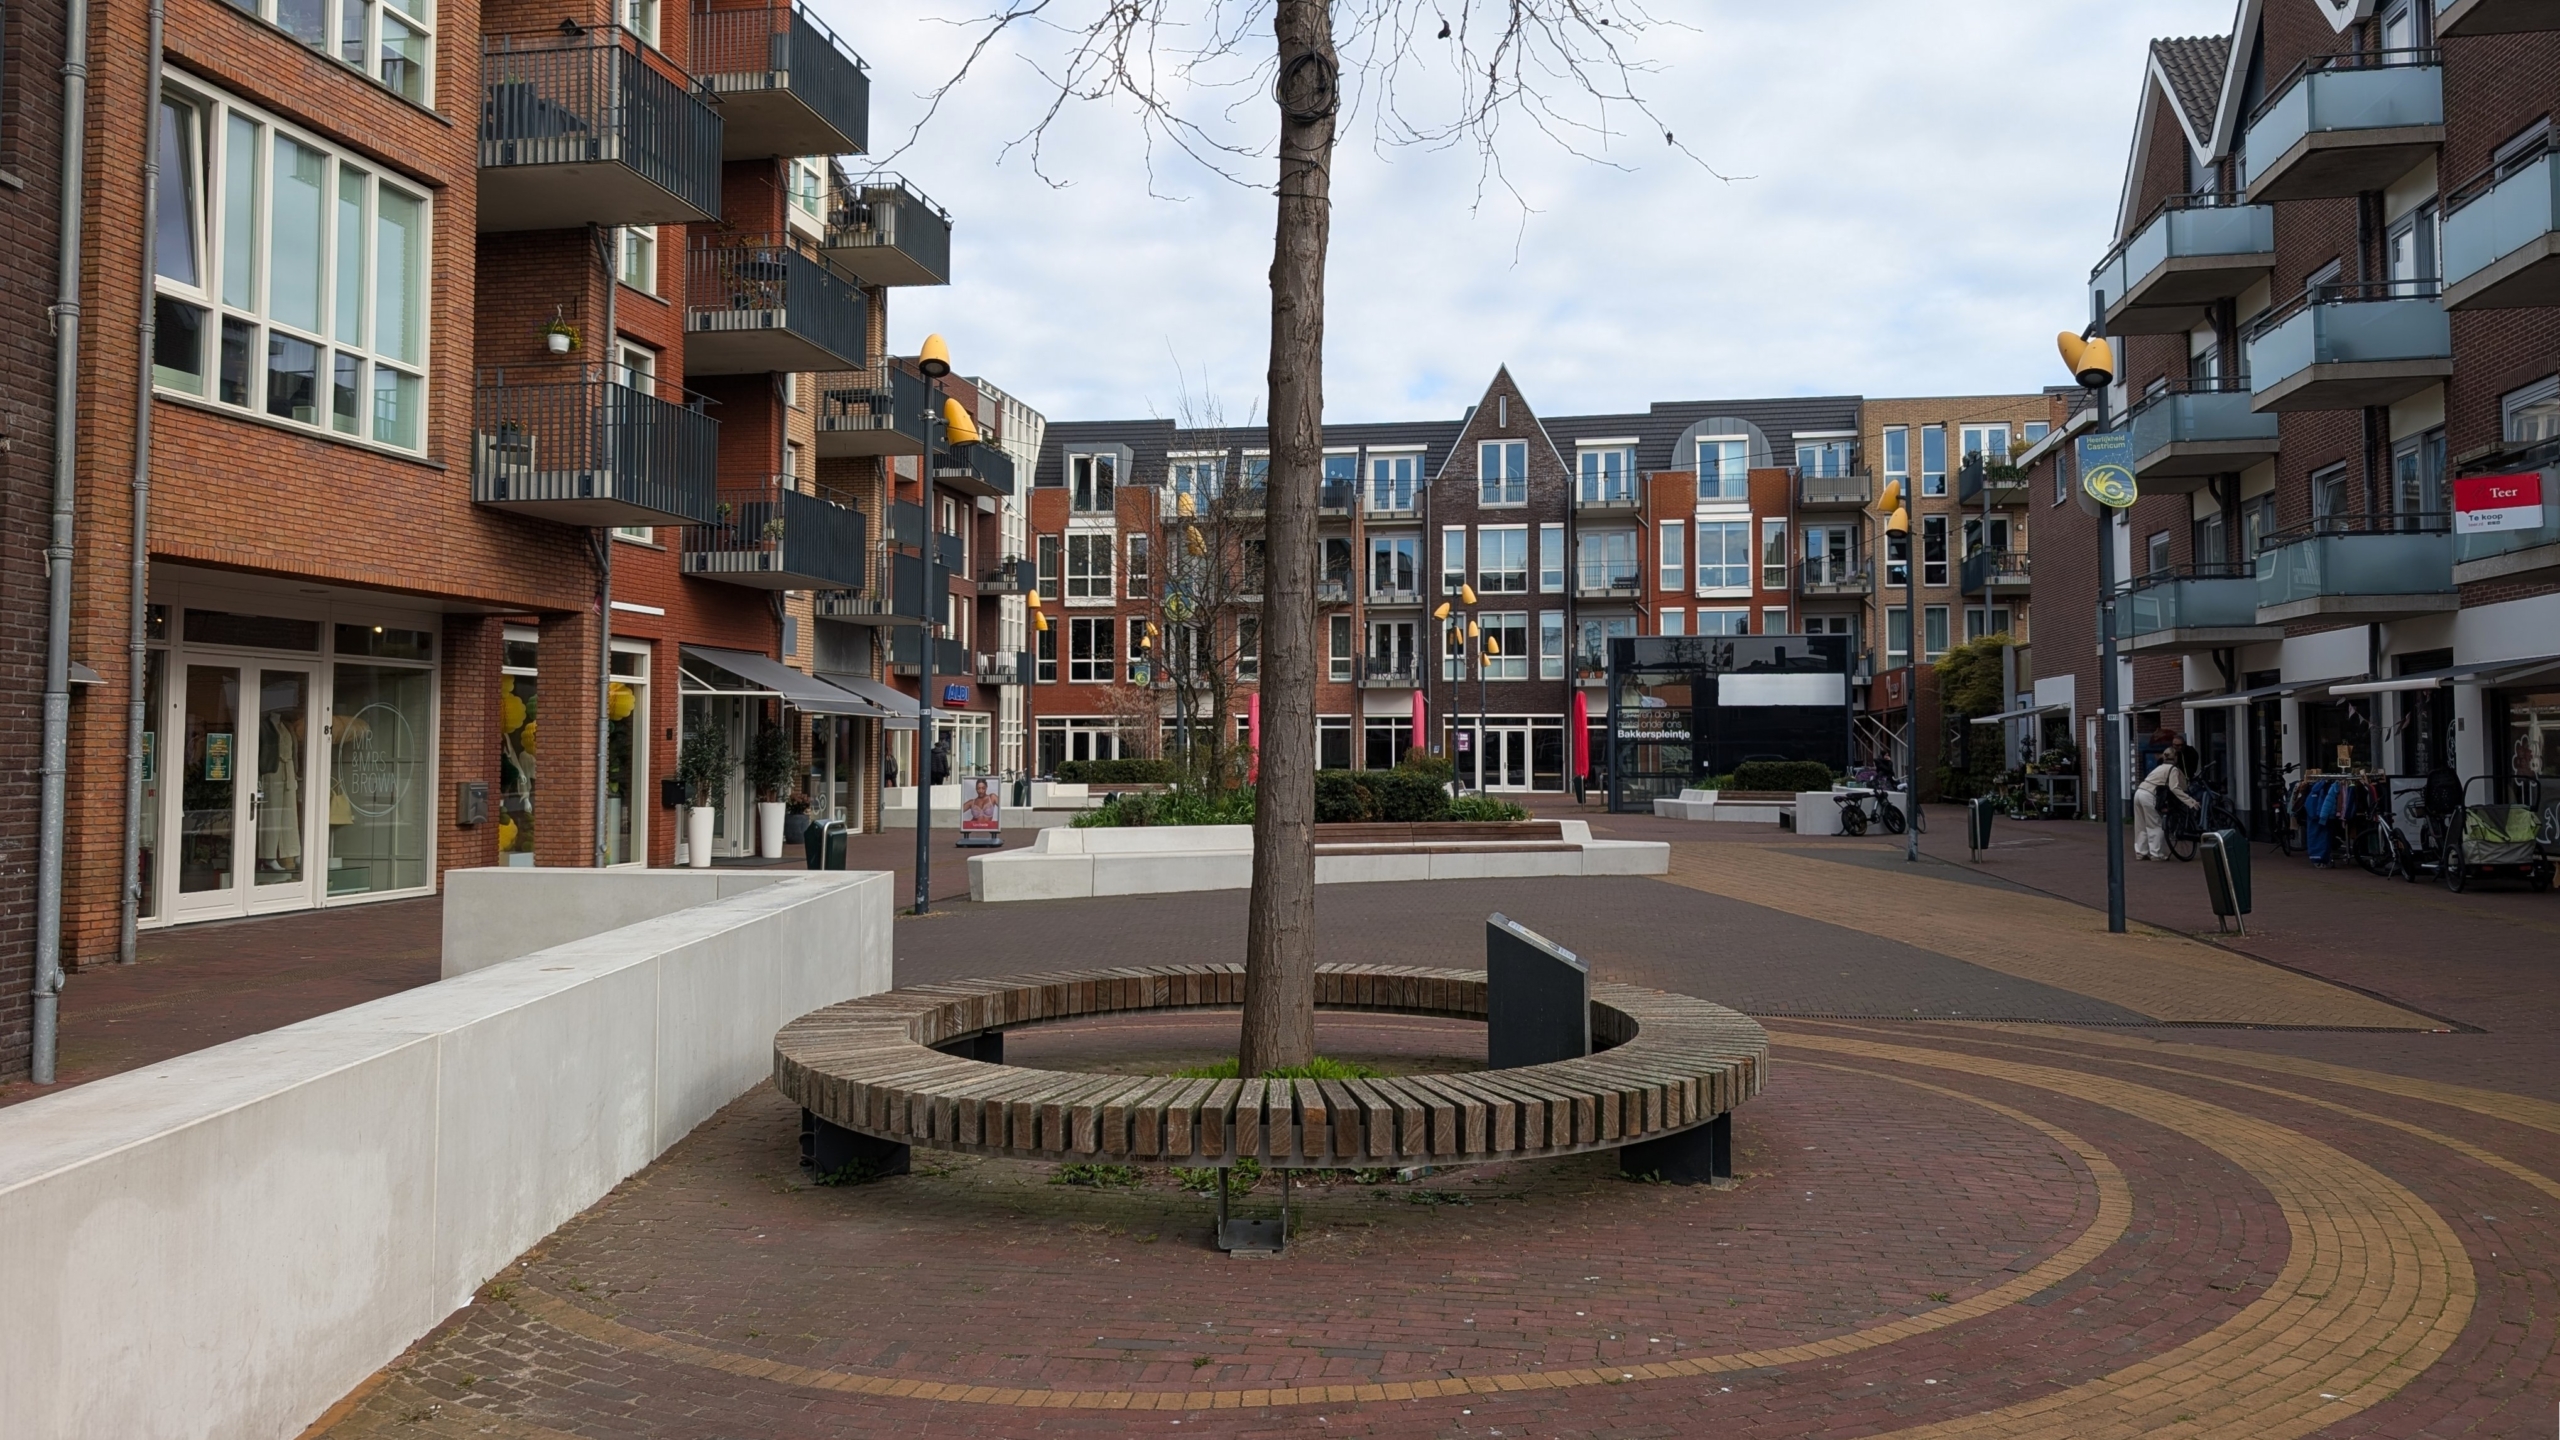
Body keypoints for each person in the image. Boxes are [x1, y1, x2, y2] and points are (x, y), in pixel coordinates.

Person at [2133, 747, 2196, 860]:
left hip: (2139, 792)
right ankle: (2156, 854)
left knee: (2140, 825)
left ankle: (2141, 852)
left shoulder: (2160, 767)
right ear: (2176, 757)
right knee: (2155, 825)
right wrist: (2190, 801)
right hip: (2149, 795)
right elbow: (2175, 788)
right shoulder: (2173, 769)